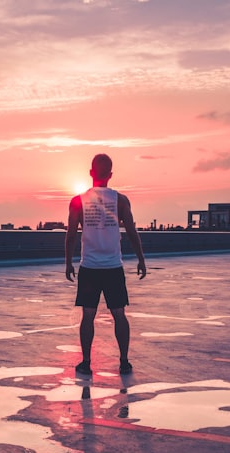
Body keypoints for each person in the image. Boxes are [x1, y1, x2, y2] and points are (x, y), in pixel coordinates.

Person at [65, 153, 146, 376]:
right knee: (119, 315)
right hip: (113, 267)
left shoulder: (77, 201)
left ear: (91, 173)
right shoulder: (121, 200)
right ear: (110, 175)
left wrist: (68, 263)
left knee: (88, 316)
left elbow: (71, 234)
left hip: (89, 267)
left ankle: (87, 362)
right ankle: (124, 361)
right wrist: (141, 259)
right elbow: (131, 232)